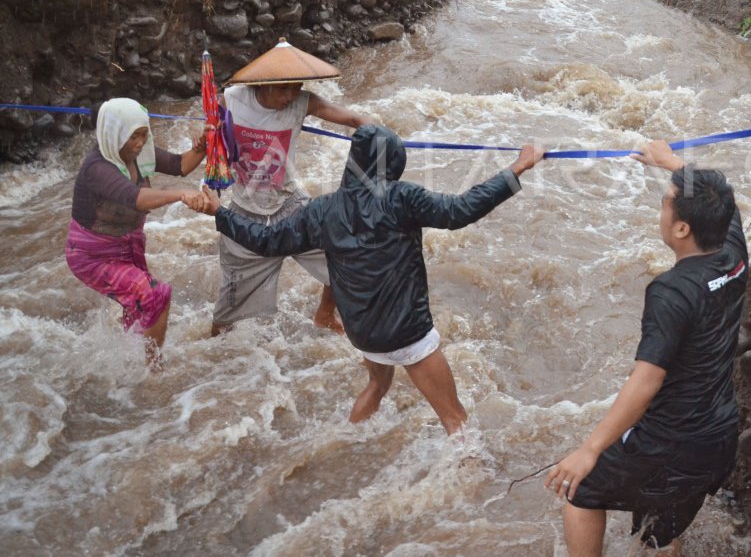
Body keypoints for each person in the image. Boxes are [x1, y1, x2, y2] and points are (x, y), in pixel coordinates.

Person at [190, 123, 544, 430]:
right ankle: (472, 486)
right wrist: (519, 166)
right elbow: (461, 210)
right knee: (455, 419)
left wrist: (221, 213)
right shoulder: (402, 198)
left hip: (362, 332)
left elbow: (267, 241)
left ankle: (349, 443)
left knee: (376, 388)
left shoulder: (321, 209)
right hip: (407, 332)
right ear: (392, 161)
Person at [544, 140, 747, 556]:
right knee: (656, 532)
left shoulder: (671, 291)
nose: (662, 210)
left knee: (580, 491)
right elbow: (726, 203)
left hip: (672, 442)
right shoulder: (733, 253)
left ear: (681, 229)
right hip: (721, 435)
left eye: (666, 204)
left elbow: (647, 379)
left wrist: (589, 450)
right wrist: (674, 165)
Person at [212, 39, 371, 337]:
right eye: (284, 88)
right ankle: (213, 354)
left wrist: (375, 132)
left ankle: (324, 314)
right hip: (245, 210)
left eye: (295, 87)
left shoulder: (302, 102)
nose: (290, 96)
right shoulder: (231, 99)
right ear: (262, 84)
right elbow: (210, 135)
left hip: (288, 204)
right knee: (227, 309)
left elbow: (351, 118)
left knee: (344, 252)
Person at [65, 98, 207, 365]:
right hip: (91, 255)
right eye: (134, 137)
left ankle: (127, 360)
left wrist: (202, 147)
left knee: (140, 304)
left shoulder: (140, 153)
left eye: (144, 134)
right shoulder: (97, 168)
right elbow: (135, 198)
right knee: (156, 294)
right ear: (115, 134)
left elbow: (181, 165)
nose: (141, 142)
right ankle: (153, 368)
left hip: (125, 246)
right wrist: (181, 195)